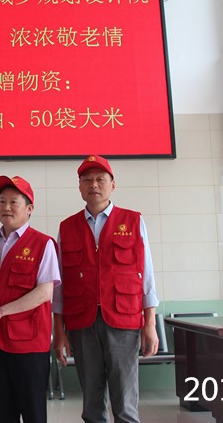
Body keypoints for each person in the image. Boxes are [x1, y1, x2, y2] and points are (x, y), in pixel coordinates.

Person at [52, 155, 159, 423]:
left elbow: (147, 275)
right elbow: (60, 284)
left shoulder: (133, 221)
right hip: (82, 323)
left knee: (125, 405)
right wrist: (59, 331)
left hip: (123, 321)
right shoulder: (67, 227)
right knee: (91, 404)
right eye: (87, 180)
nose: (94, 185)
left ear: (113, 184)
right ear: (79, 187)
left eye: (100, 179)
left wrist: (150, 323)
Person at [0, 175, 61, 423]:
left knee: (33, 414)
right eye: (2, 201)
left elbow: (45, 293)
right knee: (2, 414)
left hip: (28, 343)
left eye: (14, 202)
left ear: (29, 209)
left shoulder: (43, 244)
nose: (6, 207)